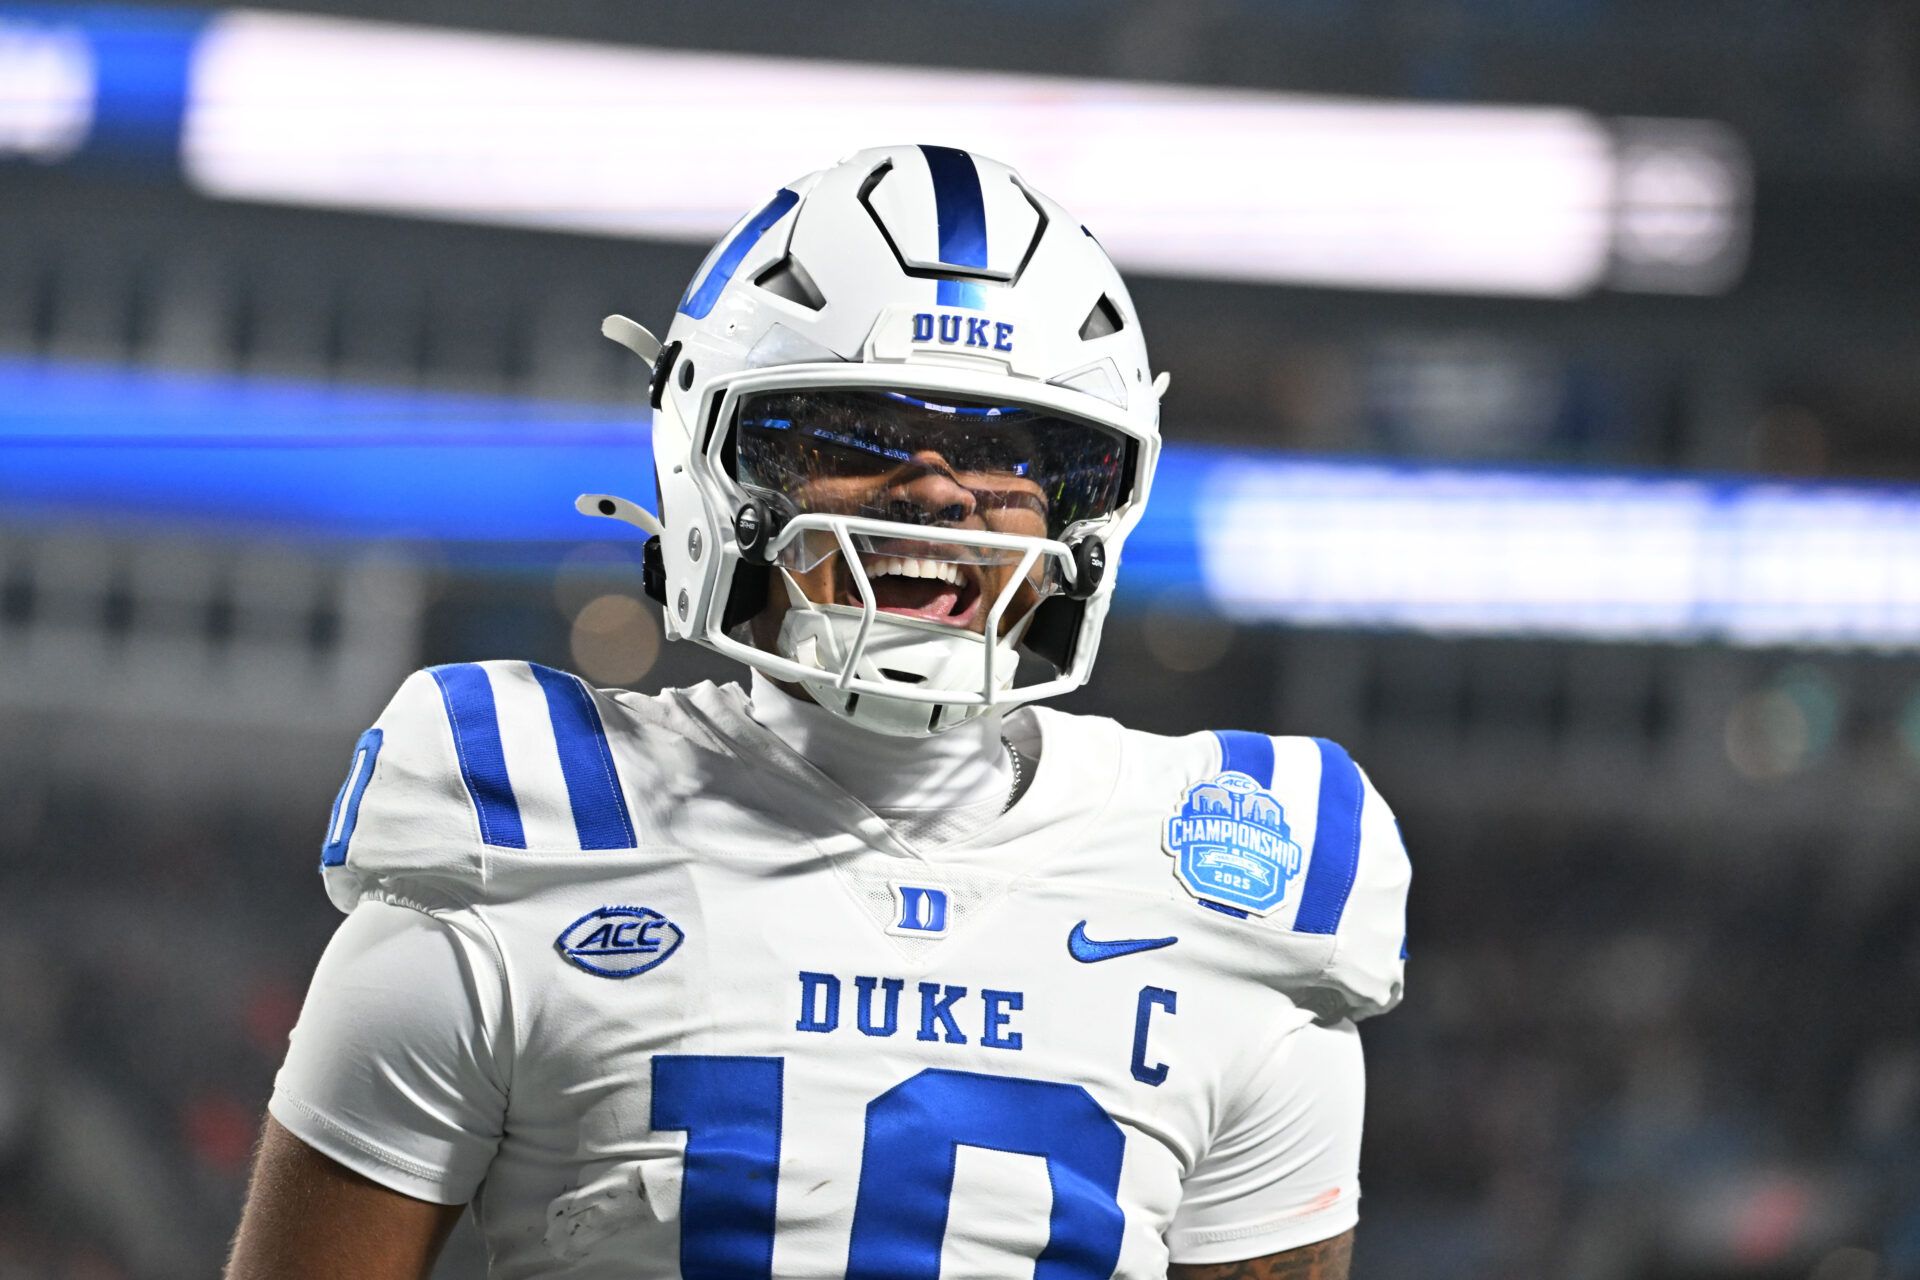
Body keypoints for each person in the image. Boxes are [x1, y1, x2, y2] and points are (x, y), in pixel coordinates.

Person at [226, 144, 1411, 1280]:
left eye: (1012, 449)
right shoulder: (520, 840)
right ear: (716, 462)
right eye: (864, 431)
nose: (940, 489)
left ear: (1088, 507)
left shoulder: (1240, 894)